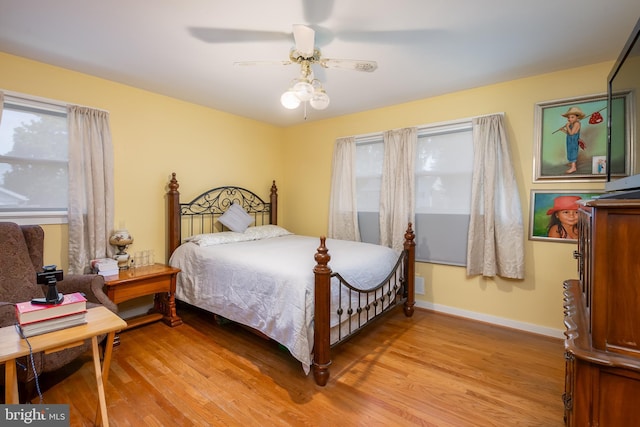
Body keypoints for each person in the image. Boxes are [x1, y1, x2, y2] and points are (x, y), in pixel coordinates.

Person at [558, 106, 585, 174]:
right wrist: (563, 130)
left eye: (572, 117)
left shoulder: (577, 124)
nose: (570, 119)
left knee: (573, 152)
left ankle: (573, 167)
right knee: (569, 151)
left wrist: (567, 126)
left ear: (577, 117)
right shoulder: (572, 124)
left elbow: (571, 133)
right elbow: (568, 133)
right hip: (570, 140)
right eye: (569, 117)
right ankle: (571, 163)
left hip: (573, 141)